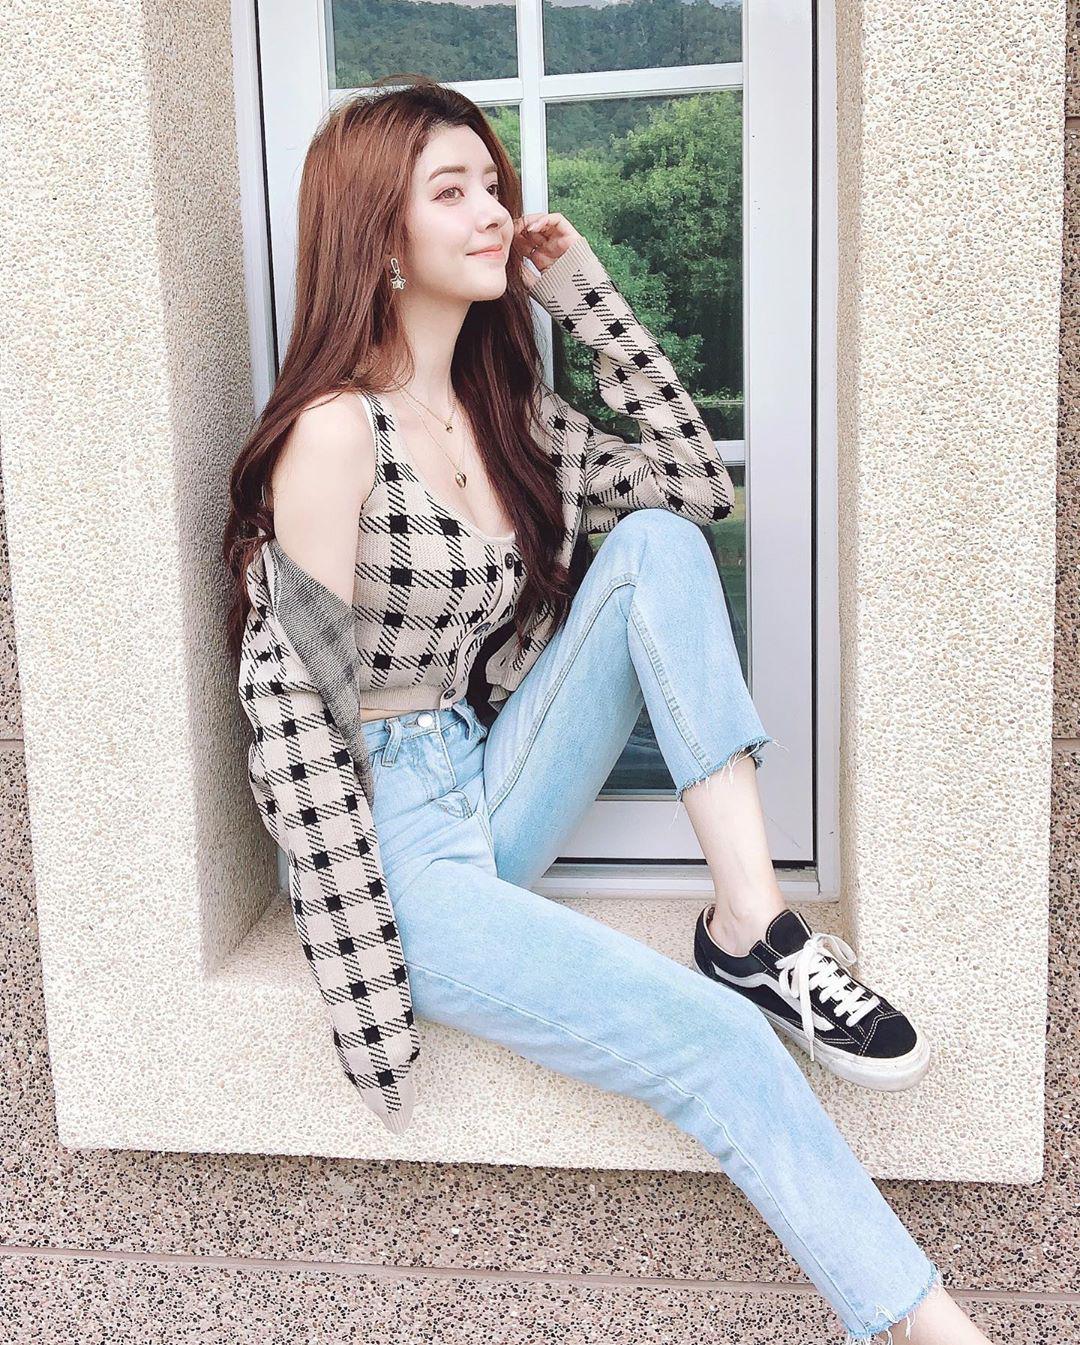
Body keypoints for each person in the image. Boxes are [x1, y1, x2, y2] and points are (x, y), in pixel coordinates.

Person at [223, 76, 991, 1344]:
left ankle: (751, 922)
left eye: (492, 184)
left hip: (481, 773)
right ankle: (935, 1329)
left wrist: (583, 298)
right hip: (391, 842)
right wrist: (367, 984)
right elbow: (292, 713)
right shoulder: (334, 435)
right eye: (451, 191)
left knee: (655, 549)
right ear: (377, 234)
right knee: (723, 1049)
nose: (492, 211)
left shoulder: (504, 413)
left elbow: (693, 491)